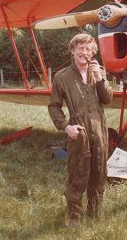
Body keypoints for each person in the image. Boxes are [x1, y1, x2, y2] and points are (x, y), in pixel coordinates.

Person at [48, 33, 113, 226]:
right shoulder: (62, 77)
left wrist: (101, 77)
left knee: (99, 172)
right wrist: (65, 126)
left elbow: (107, 99)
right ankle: (74, 215)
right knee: (78, 173)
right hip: (79, 132)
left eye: (87, 49)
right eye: (80, 49)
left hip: (100, 130)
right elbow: (54, 106)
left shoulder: (98, 72)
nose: (84, 53)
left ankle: (95, 211)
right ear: (73, 51)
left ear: (92, 52)